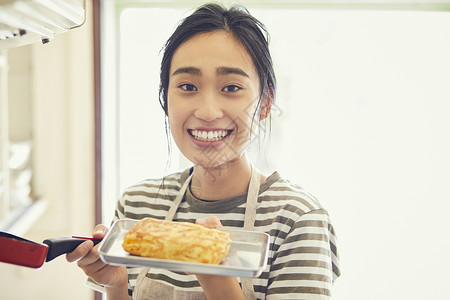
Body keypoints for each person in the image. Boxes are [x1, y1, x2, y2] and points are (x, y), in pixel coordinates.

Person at [67, 3, 340, 299]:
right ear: (166, 100)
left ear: (264, 103)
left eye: (231, 88)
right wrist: (115, 285)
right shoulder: (137, 206)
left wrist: (213, 270)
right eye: (187, 86)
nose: (208, 112)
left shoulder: (298, 219)